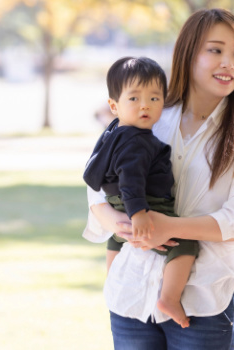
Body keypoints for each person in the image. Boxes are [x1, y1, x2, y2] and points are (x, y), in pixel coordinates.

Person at [82, 8, 234, 350]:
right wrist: (118, 222)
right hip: (132, 294)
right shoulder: (149, 113)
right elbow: (98, 185)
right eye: (215, 50)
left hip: (202, 300)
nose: (229, 62)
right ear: (187, 53)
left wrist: (170, 227)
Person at [82, 56, 199, 328]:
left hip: (117, 202)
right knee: (185, 243)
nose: (145, 105)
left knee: (117, 238)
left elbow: (92, 173)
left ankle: (113, 282)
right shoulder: (137, 140)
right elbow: (132, 179)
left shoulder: (113, 132)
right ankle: (170, 297)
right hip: (149, 203)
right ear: (114, 105)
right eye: (134, 98)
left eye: (154, 98)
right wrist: (140, 213)